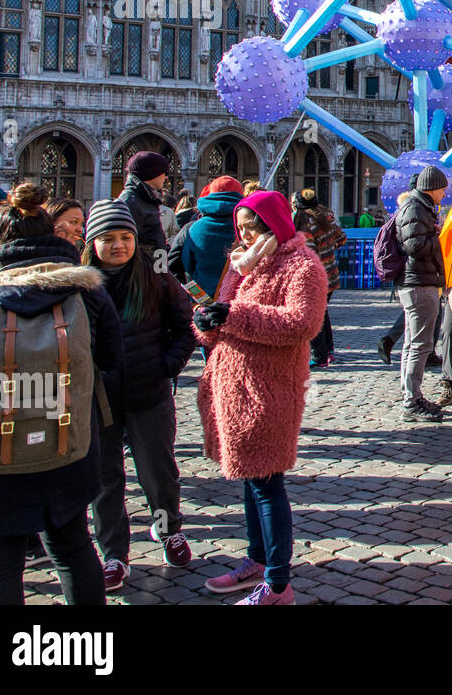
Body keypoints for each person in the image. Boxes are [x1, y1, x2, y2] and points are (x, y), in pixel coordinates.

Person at [0, 184, 122, 605]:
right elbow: (110, 358)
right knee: (72, 550)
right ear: (51, 233)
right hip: (69, 442)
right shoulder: (89, 293)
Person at [195, 190, 327, 605]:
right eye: (242, 229)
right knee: (251, 481)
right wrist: (208, 320)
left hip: (270, 388)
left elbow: (301, 324)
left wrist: (234, 316)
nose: (247, 236)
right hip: (234, 383)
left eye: (254, 228)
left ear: (275, 224)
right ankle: (257, 560)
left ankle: (278, 583)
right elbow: (225, 314)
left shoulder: (303, 265)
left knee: (268, 483)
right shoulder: (241, 263)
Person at [82, 201, 195, 591]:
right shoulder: (78, 284)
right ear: (91, 242)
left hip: (149, 390)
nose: (118, 245)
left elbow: (186, 323)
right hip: (97, 399)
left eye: (126, 237)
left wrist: (170, 364)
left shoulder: (156, 272)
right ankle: (114, 554)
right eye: (108, 238)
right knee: (105, 479)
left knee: (159, 473)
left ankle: (168, 530)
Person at [392, 167, 449, 423]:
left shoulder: (419, 207)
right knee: (419, 345)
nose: (444, 193)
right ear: (433, 187)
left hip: (419, 280)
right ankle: (411, 402)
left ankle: (412, 395)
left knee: (413, 343)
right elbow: (413, 244)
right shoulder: (415, 207)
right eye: (442, 189)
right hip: (418, 281)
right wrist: (440, 237)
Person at [292, 189, 347, 370]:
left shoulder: (305, 223)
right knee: (323, 313)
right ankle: (328, 351)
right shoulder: (325, 219)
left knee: (315, 315)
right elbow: (342, 238)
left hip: (316, 276)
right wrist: (328, 249)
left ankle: (319, 355)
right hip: (330, 273)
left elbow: (307, 252)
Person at [179, 175, 243, 304]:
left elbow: (185, 269)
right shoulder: (246, 228)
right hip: (238, 305)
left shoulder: (194, 229)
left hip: (202, 306)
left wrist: (202, 301)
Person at [117, 151, 170, 253]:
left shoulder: (146, 199)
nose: (166, 177)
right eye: (165, 173)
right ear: (152, 173)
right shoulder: (131, 201)